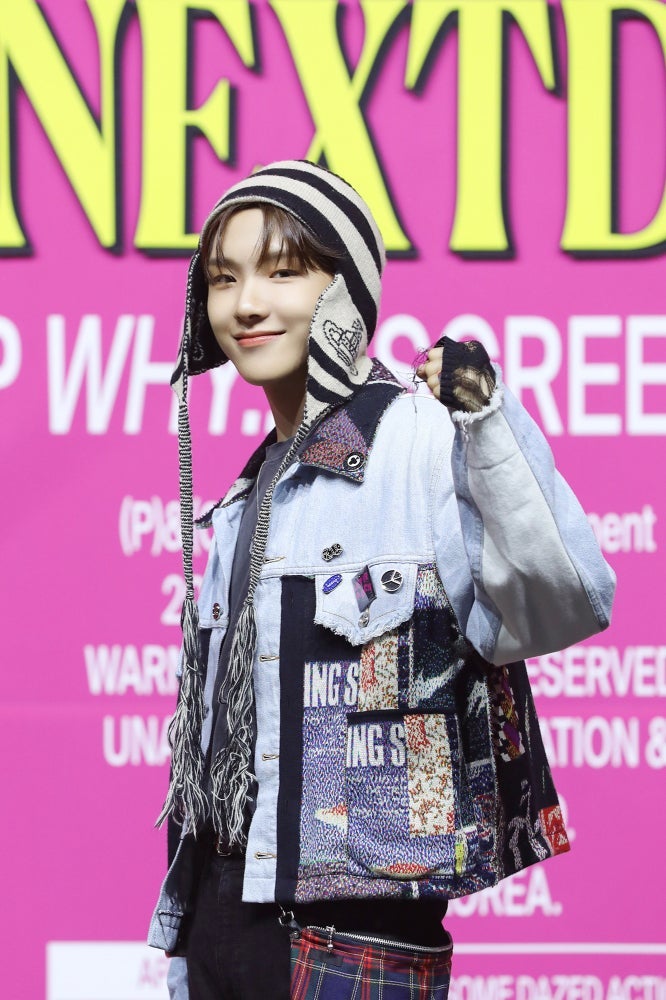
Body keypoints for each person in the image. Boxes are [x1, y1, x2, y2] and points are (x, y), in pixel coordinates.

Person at [148, 160, 615, 1000]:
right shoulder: (246, 497)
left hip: (352, 942)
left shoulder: (424, 441)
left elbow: (565, 602)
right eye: (223, 279)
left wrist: (487, 420)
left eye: (283, 272)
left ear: (347, 289)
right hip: (215, 927)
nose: (246, 304)